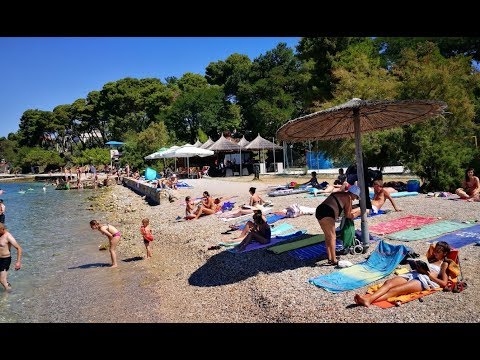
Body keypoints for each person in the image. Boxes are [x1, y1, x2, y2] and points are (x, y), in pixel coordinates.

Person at [354, 241, 452, 307]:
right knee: (388, 283)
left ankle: (369, 300)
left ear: (445, 253)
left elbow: (443, 283)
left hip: (424, 280)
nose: (435, 253)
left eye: (438, 252)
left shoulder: (444, 264)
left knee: (395, 290)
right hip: (414, 274)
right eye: (435, 251)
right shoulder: (431, 258)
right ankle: (368, 299)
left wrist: (427, 273)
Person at [315, 185, 360, 266]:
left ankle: (330, 257)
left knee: (328, 236)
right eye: (356, 197)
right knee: (332, 237)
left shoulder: (339, 193)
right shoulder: (348, 198)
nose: (355, 199)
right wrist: (357, 214)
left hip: (319, 210)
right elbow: (348, 214)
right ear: (353, 194)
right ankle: (334, 260)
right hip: (328, 212)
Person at [0, 223, 22, 291]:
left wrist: (18, 262)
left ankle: (9, 292)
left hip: (5, 260)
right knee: (3, 279)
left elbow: (19, 248)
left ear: (2, 229)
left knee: (2, 280)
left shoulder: (8, 236)